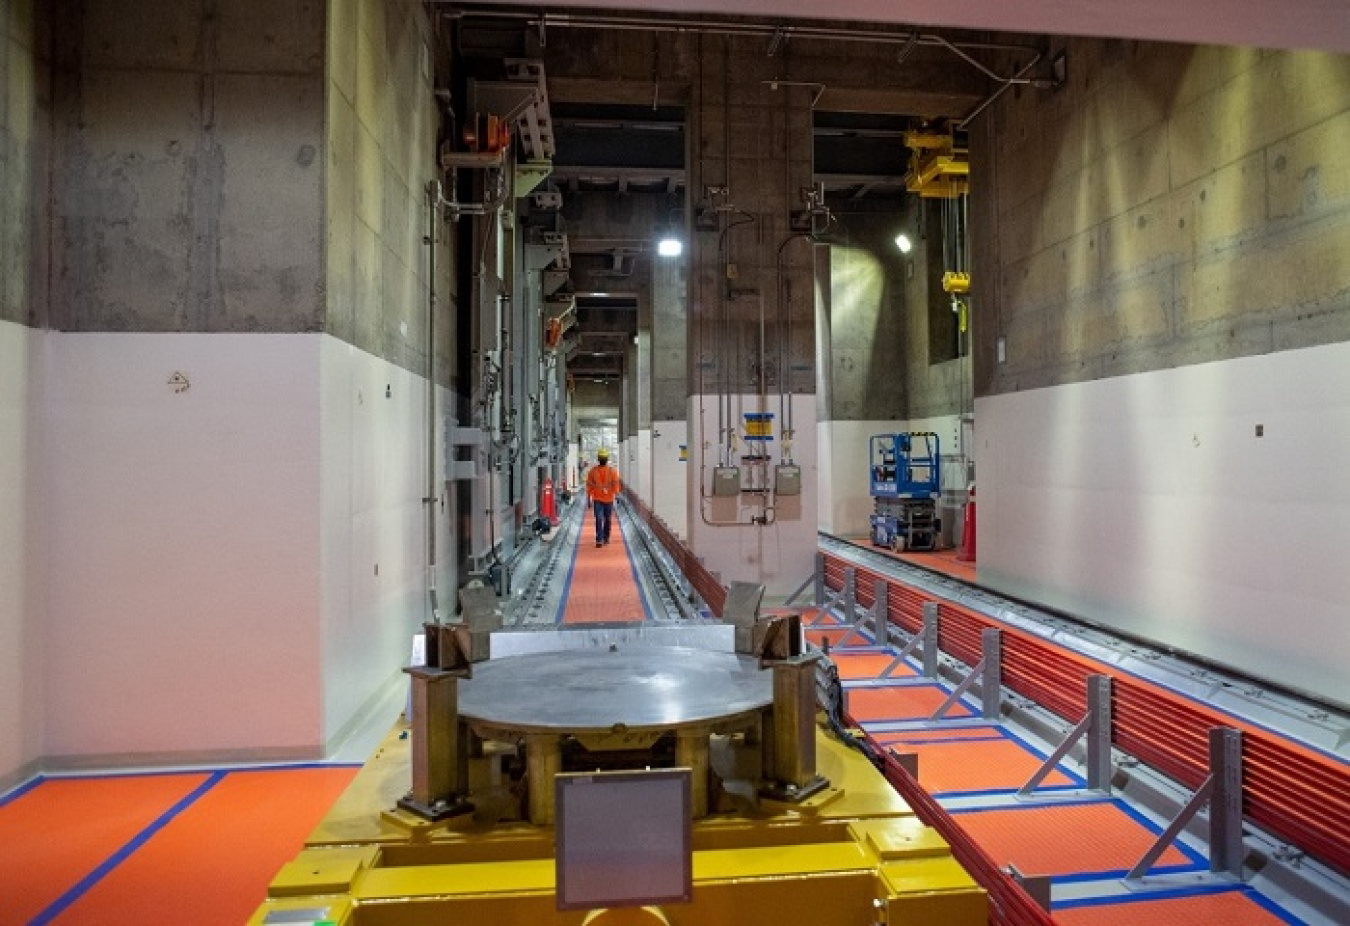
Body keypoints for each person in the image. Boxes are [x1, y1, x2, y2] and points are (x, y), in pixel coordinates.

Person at [585, 448, 621, 547]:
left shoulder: (612, 471)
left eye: (603, 458)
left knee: (607, 519)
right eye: (601, 457)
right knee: (599, 518)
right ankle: (599, 539)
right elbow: (589, 485)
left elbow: (615, 484)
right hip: (597, 500)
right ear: (599, 459)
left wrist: (617, 495)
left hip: (608, 500)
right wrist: (588, 498)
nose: (602, 459)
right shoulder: (593, 471)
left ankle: (606, 537)